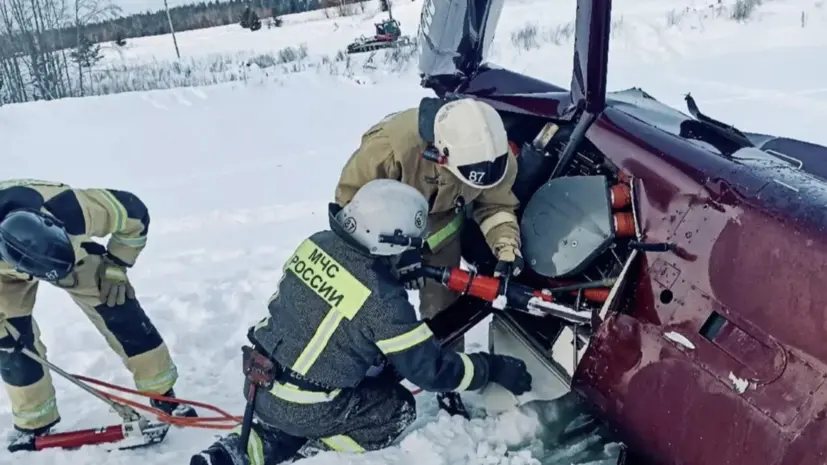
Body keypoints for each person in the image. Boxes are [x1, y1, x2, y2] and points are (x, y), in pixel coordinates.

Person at [190, 179, 532, 465]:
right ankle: (311, 451)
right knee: (395, 409)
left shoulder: (317, 244)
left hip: (260, 384)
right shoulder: (381, 301)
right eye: (409, 247)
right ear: (389, 241)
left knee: (351, 372)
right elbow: (430, 371)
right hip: (306, 405)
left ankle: (238, 448)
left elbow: (339, 301)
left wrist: (388, 273)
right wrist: (490, 368)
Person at [334, 97, 525, 418]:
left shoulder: (495, 157)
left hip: (441, 226)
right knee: (374, 305)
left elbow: (496, 205)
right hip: (380, 226)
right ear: (440, 154)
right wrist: (398, 253)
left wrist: (507, 249)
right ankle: (358, 371)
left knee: (446, 309)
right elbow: (349, 204)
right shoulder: (390, 148)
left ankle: (447, 384)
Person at [0, 179, 197, 452]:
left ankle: (162, 392)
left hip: (71, 255)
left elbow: (135, 213)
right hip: (3, 277)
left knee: (118, 305)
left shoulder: (74, 209)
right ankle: (34, 422)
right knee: (9, 342)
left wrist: (116, 265)